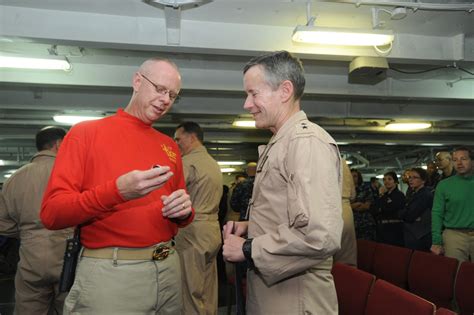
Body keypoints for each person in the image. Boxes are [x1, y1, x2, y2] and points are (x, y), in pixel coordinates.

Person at [40, 57, 194, 314]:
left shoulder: (169, 146)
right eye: (159, 89)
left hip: (168, 268)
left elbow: (181, 213)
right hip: (112, 274)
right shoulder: (86, 134)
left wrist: (184, 212)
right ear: (137, 81)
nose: (166, 99)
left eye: (173, 95)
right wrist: (117, 192)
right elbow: (52, 213)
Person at [222, 51, 343, 314]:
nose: (247, 104)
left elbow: (319, 234)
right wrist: (251, 226)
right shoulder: (283, 142)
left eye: (254, 93)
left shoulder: (305, 143)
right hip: (276, 289)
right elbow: (290, 215)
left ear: (285, 90)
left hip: (296, 295)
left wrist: (248, 248)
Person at [0, 126, 69, 315]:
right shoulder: (73, 173)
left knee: (28, 309)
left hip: (31, 257)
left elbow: (2, 224)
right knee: (70, 308)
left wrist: (28, 231)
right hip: (68, 255)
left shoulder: (14, 178)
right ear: (60, 144)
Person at [174, 121, 223, 315]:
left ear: (192, 137)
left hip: (192, 230)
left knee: (189, 290)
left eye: (178, 139)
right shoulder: (212, 163)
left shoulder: (187, 162)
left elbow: (173, 192)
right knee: (208, 289)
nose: (175, 143)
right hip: (212, 229)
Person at [431, 147, 474, 262]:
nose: (459, 163)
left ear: (472, 161)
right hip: (454, 235)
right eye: (455, 160)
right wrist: (436, 240)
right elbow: (437, 213)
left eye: (463, 159)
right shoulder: (444, 185)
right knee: (456, 273)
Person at [399, 168, 433, 251]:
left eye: (415, 177)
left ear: (423, 180)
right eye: (410, 177)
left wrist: (403, 213)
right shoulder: (413, 194)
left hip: (421, 236)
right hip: (414, 234)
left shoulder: (425, 194)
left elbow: (410, 216)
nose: (411, 180)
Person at [333, 159, 357, 266]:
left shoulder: (315, 156)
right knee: (347, 259)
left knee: (325, 263)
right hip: (346, 208)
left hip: (328, 208)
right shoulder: (342, 161)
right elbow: (353, 194)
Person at [374, 171, 406, 247]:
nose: (386, 182)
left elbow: (389, 208)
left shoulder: (399, 195)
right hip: (382, 228)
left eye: (389, 179)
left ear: (395, 181)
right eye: (384, 179)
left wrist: (382, 197)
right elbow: (374, 208)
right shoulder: (383, 195)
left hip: (394, 229)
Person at [351, 169, 376, 240]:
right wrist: (357, 204)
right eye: (350, 176)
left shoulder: (366, 188)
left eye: (355, 176)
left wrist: (350, 206)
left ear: (359, 177)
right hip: (352, 225)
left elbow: (366, 206)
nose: (352, 178)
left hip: (365, 223)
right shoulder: (346, 190)